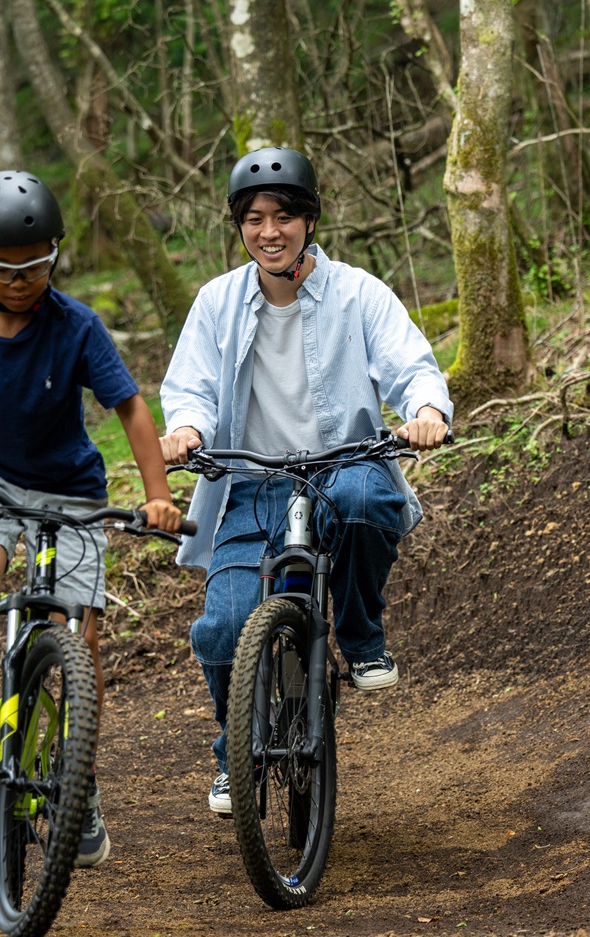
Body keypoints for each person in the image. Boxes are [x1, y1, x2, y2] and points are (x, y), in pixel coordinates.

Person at [159, 147, 451, 815]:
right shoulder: (215, 302)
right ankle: (235, 751)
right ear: (239, 226)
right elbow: (190, 387)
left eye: (284, 216)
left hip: (343, 464)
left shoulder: (357, 292)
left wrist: (427, 412)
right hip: (250, 484)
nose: (270, 232)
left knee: (363, 499)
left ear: (310, 220)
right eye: (254, 219)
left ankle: (360, 636)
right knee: (221, 629)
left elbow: (410, 365)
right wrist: (186, 430)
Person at [0, 169, 181, 867]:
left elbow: (130, 407)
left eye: (33, 266)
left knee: (77, 632)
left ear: (55, 255)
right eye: (1, 269)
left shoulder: (77, 324)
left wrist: (156, 492)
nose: (18, 281)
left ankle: (75, 775)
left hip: (72, 489)